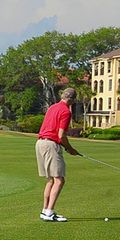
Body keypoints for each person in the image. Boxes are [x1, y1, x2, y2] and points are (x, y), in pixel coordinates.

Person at [35, 87, 79, 222]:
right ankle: (49, 212)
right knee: (59, 180)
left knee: (51, 179)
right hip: (51, 145)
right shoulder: (66, 111)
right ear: (71, 100)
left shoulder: (53, 107)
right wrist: (70, 149)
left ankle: (45, 211)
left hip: (40, 143)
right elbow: (61, 135)